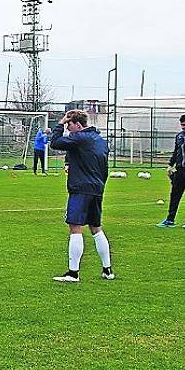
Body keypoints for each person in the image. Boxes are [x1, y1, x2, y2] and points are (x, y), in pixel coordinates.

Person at [50, 110, 114, 283]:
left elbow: (55, 143)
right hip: (97, 189)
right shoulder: (100, 140)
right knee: (96, 228)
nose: (69, 131)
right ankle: (107, 270)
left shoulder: (80, 137)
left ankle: (73, 273)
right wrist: (69, 162)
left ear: (78, 125)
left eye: (70, 126)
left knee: (75, 227)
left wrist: (60, 123)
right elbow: (81, 154)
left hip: (81, 189)